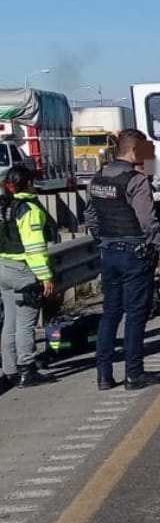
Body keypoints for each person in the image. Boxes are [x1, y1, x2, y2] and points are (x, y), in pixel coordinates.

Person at [86, 128, 160, 391]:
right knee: (135, 314)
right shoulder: (136, 180)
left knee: (110, 313)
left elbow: (90, 216)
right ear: (134, 150)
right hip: (135, 254)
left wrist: (105, 239)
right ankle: (134, 373)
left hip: (108, 253)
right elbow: (148, 220)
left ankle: (104, 374)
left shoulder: (98, 178)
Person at [0, 165, 57, 389]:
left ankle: (11, 370)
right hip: (23, 269)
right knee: (26, 321)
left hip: (3, 266)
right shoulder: (29, 209)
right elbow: (34, 247)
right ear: (29, 183)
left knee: (10, 322)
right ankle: (27, 368)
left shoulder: (5, 206)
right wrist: (45, 277)